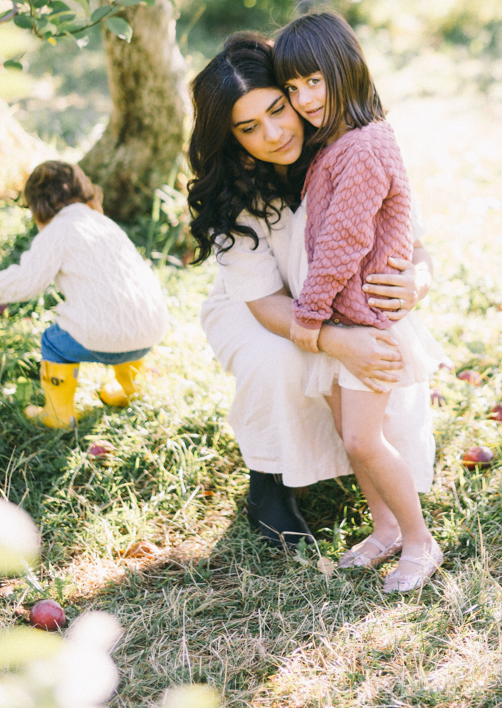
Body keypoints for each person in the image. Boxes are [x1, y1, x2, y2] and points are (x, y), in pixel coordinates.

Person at [187, 33, 436, 551]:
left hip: (336, 302)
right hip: (261, 307)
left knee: (376, 380)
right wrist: (337, 341)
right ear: (231, 137)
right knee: (283, 361)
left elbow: (413, 239)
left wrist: (416, 282)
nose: (274, 134)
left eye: (279, 108)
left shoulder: (349, 143)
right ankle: (271, 477)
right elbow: (263, 302)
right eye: (249, 128)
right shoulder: (237, 190)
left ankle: (366, 477)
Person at [273, 12, 446, 593]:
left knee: (362, 439)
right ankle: (385, 529)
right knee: (350, 428)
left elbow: (346, 238)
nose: (303, 99)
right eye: (293, 89)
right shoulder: (337, 145)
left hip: (364, 319)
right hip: (344, 316)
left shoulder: (366, 145)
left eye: (313, 81)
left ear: (345, 68)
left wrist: (308, 313)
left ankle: (421, 540)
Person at [0, 161, 168, 429]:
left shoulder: (58, 231)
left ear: (37, 207)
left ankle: (58, 414)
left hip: (107, 338)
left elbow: (25, 282)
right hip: (150, 329)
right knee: (122, 316)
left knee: (53, 341)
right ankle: (130, 389)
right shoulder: (103, 224)